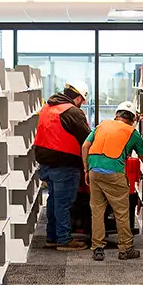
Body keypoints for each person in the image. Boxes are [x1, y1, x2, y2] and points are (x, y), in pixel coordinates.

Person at [82, 101, 143, 261]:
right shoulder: (133, 133)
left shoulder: (102, 125)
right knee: (121, 212)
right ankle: (125, 249)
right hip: (114, 172)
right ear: (134, 120)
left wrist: (86, 169)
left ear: (116, 115)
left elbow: (85, 146)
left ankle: (98, 248)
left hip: (94, 171)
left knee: (97, 211)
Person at [33, 80, 92, 251]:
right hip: (64, 163)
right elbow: (87, 138)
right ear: (78, 97)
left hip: (45, 162)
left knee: (53, 200)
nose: (82, 104)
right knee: (63, 203)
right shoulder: (72, 111)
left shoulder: (48, 107)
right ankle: (64, 239)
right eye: (82, 101)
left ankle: (52, 237)